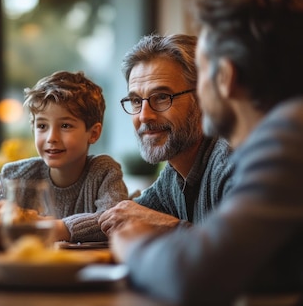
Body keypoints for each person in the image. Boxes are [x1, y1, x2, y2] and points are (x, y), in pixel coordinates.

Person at [111, 0, 303, 306]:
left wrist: (133, 245)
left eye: (202, 75)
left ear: (225, 76)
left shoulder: (288, 137)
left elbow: (195, 275)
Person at [98, 34, 233, 235]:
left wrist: (165, 224)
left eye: (161, 97)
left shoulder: (231, 161)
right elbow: (122, 217)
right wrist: (55, 226)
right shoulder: (174, 176)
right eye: (136, 101)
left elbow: (242, 256)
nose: (144, 116)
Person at [0, 70, 128, 243]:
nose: (52, 137)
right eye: (42, 126)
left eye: (66, 125)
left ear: (93, 133)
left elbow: (115, 219)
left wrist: (56, 228)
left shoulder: (104, 172)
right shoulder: (17, 175)